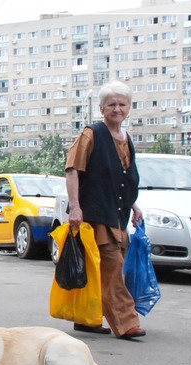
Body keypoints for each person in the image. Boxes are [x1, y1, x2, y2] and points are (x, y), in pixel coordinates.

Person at [64, 80, 146, 340]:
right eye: (111, 104)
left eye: (122, 104)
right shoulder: (92, 134)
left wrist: (133, 204)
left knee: (97, 270)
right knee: (113, 268)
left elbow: (118, 177)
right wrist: (75, 207)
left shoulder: (125, 137)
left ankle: (87, 319)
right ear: (101, 109)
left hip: (117, 215)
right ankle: (126, 322)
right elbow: (73, 170)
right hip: (95, 216)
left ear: (129, 108)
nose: (117, 109)